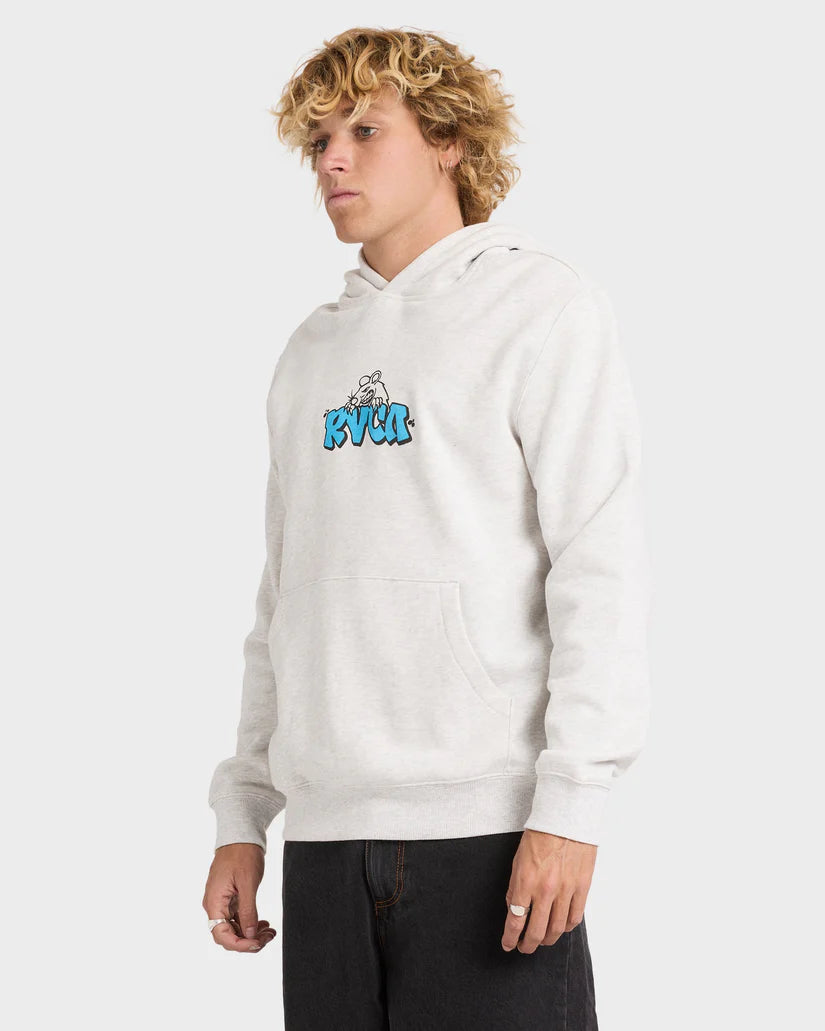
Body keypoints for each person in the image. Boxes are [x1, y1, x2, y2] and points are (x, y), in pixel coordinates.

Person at [202, 26, 651, 1031]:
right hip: (324, 848)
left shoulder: (540, 307)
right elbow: (283, 599)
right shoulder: (310, 354)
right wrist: (245, 810)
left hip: (488, 836)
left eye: (364, 130)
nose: (333, 160)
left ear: (449, 139)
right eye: (318, 140)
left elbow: (598, 566)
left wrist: (571, 808)